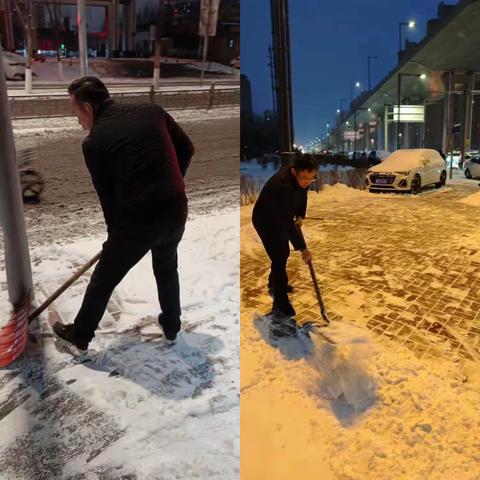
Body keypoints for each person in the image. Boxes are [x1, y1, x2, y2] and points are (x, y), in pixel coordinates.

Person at [53, 76, 194, 351]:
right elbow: (187, 148)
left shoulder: (94, 143)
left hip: (137, 221)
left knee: (104, 278)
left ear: (89, 109)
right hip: (175, 208)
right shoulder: (152, 111)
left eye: (76, 113)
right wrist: (172, 184)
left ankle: (80, 335)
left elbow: (106, 196)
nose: (78, 121)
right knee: (166, 268)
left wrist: (114, 238)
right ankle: (172, 325)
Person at [252, 154, 317, 318]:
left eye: (311, 179)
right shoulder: (282, 186)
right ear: (295, 172)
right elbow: (287, 224)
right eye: (304, 179)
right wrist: (303, 249)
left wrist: (301, 214)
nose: (306, 183)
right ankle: (280, 302)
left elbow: (303, 196)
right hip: (265, 220)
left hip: (280, 216)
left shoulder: (303, 178)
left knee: (281, 254)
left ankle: (274, 283)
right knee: (280, 255)